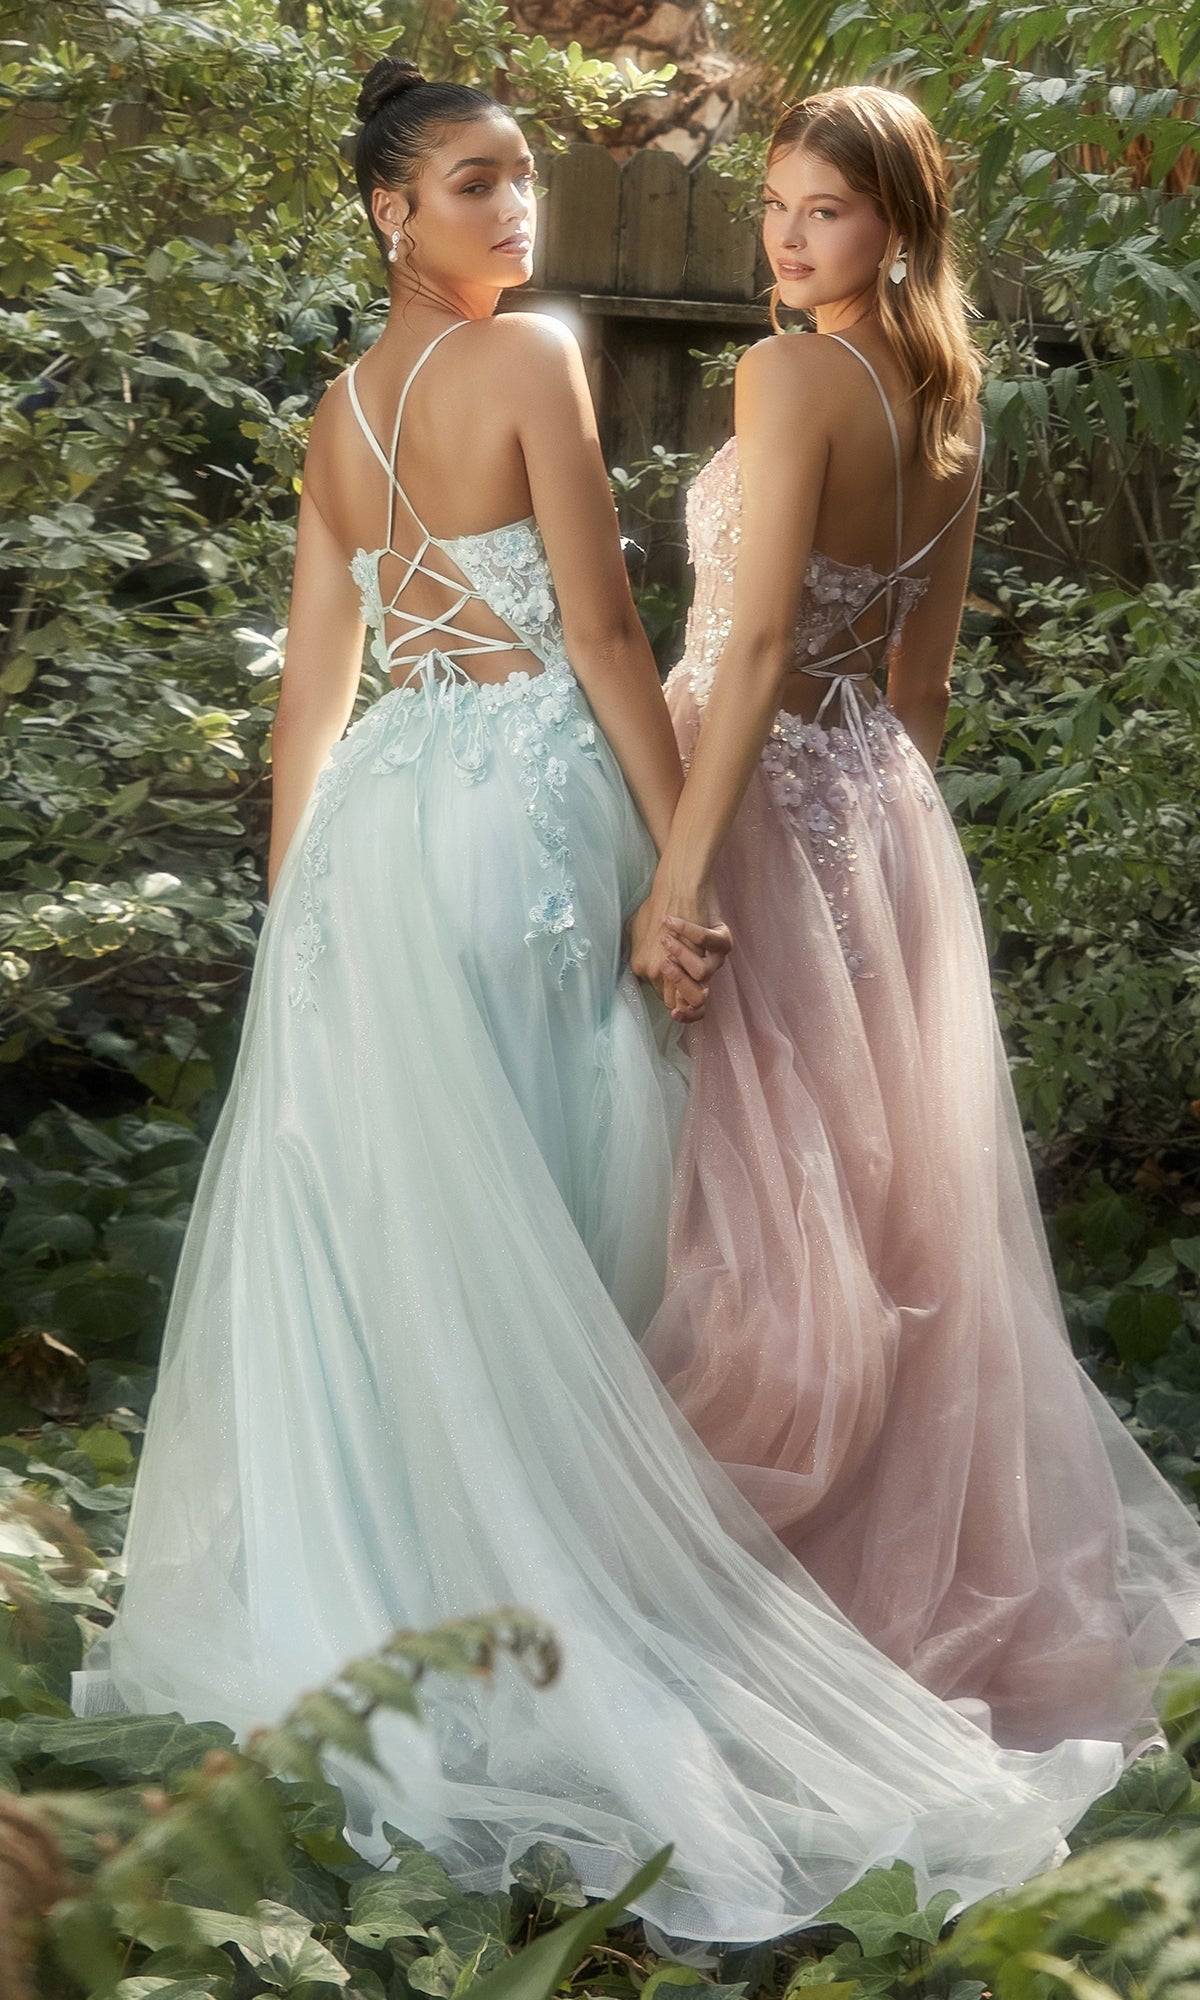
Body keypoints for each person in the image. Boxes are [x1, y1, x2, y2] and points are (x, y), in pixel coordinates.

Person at [73, 59, 1126, 1944]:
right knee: (602, 1202)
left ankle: (424, 1587)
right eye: (478, 183)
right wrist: (676, 857)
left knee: (426, 1227)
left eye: (524, 182)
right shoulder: (554, 355)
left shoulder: (339, 413)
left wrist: (302, 902)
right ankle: (595, 1585)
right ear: (391, 211)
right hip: (565, 807)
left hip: (390, 833)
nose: (521, 214)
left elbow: (321, 690)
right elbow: (612, 630)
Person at [633, 84, 1200, 1757]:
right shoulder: (954, 395)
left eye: (829, 211)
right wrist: (871, 852)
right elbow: (919, 682)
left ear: (899, 222)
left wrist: (687, 865)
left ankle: (720, 1574)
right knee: (862, 1202)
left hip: (734, 789)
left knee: (743, 1197)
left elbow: (743, 651)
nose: (791, 240)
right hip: (869, 801)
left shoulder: (791, 370)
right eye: (778, 207)